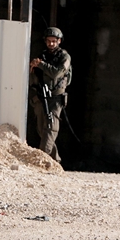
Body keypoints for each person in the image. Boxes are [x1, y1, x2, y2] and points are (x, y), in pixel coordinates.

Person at [29, 27, 71, 164]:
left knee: (51, 127)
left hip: (56, 97)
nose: (51, 44)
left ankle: (42, 159)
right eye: (49, 41)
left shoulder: (64, 57)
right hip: (41, 95)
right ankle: (55, 161)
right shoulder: (43, 55)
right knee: (42, 128)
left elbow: (56, 73)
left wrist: (41, 64)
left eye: (54, 41)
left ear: (59, 41)